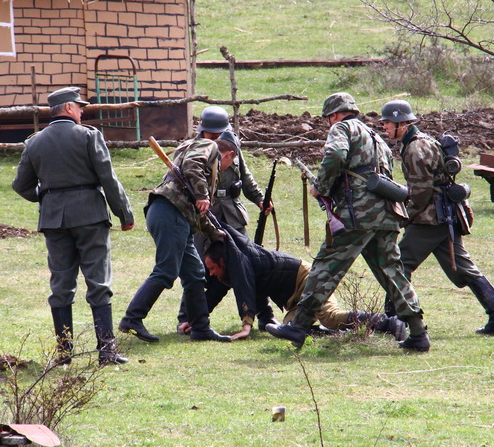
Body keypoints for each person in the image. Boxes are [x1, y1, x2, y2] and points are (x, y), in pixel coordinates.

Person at [266, 92, 430, 352]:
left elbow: (335, 156)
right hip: (387, 214)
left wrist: (320, 187)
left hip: (358, 216)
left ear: (333, 115)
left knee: (325, 266)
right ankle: (418, 333)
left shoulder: (342, 128)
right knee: (392, 272)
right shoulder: (377, 138)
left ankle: (299, 325)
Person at [12, 86, 135, 366]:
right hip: (90, 216)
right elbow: (108, 179)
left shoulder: (34, 142)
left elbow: (21, 185)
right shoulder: (90, 136)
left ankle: (64, 354)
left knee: (61, 284)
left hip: (54, 219)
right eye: (79, 107)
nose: (81, 112)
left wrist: (46, 197)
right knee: (98, 281)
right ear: (68, 108)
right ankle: (106, 351)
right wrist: (124, 214)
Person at [379, 99, 494, 335]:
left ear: (401, 123)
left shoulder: (415, 148)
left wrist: (404, 217)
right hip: (442, 218)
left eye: (388, 123)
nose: (385, 128)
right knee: (464, 269)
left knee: (398, 266)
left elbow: (420, 192)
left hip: (429, 219)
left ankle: (392, 321)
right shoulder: (419, 142)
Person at [177, 225, 408, 342]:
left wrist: (246, 324)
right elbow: (215, 293)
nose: (211, 273)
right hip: (295, 301)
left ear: (223, 262)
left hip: (307, 279)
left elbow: (246, 288)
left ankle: (389, 322)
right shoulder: (231, 270)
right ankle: (339, 334)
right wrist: (195, 320)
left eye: (212, 268)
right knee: (292, 326)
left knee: (329, 316)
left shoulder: (239, 264)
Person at [118, 133, 239, 343]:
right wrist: (202, 195)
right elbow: (192, 167)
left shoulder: (199, 159)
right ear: (228, 154)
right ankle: (132, 319)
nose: (229, 166)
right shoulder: (208, 148)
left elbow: (196, 211)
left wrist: (214, 233)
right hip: (170, 213)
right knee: (166, 271)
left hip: (176, 216)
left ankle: (201, 328)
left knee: (195, 273)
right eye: (232, 161)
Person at [178, 108, 277, 332]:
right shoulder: (194, 150)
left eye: (218, 133)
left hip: (232, 213)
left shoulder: (231, 147)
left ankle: (264, 315)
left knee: (248, 263)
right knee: (200, 268)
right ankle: (187, 317)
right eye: (211, 133)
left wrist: (260, 199)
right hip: (205, 215)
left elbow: (246, 176)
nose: (215, 137)